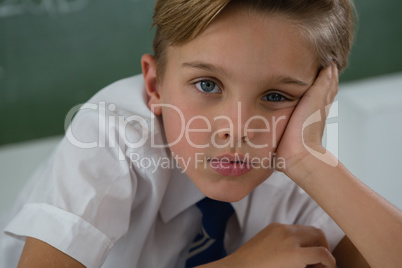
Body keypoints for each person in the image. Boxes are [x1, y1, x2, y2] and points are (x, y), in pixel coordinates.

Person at [1, 0, 401, 267]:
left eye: (276, 96)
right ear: (154, 86)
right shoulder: (111, 137)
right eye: (208, 85)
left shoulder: (292, 157)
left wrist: (309, 163)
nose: (237, 129)